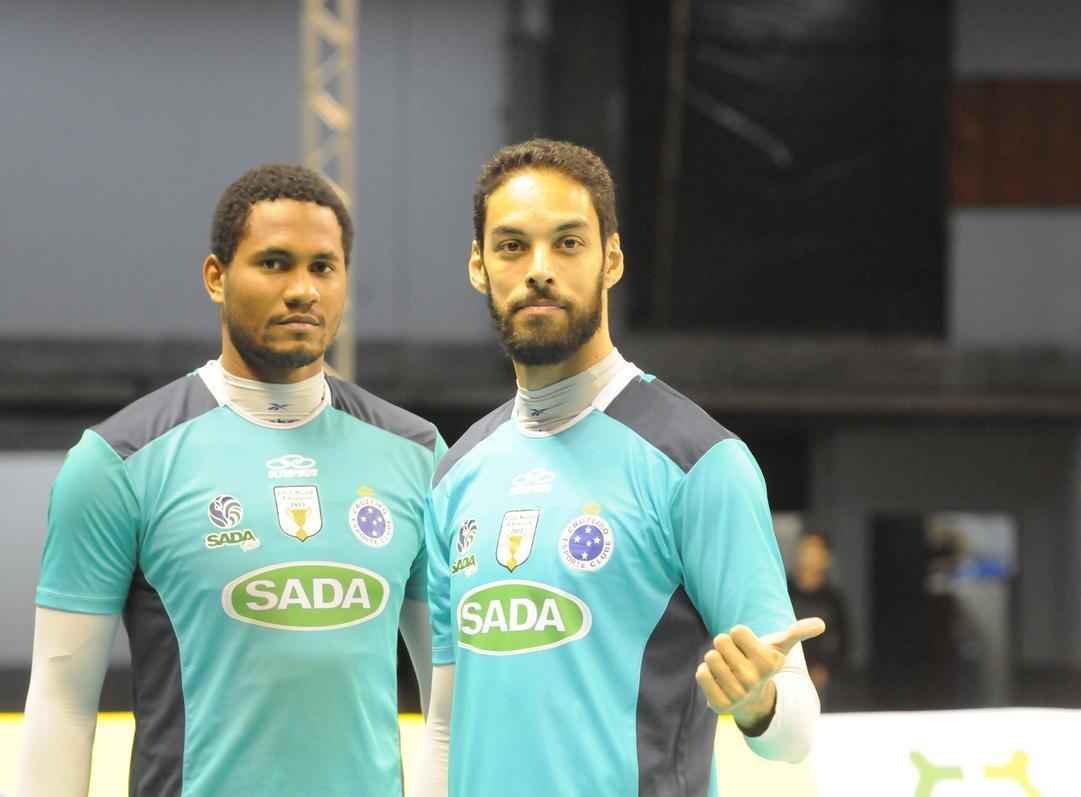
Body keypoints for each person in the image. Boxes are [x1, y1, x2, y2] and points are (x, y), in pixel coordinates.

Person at [17, 164, 443, 797]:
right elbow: (62, 705)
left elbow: (451, 706)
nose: (303, 290)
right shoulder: (117, 462)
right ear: (216, 277)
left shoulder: (418, 454)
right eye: (274, 263)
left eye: (323, 267)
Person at [417, 139, 822, 797]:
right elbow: (443, 728)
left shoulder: (700, 462)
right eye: (513, 246)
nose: (539, 269)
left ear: (611, 258)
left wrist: (758, 705)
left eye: (568, 243)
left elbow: (796, 728)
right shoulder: (455, 475)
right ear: (478, 264)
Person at [787, 532, 849, 699]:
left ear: (826, 558)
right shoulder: (784, 592)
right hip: (785, 673)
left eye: (815, 551)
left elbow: (842, 640)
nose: (809, 557)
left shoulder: (833, 599)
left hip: (821, 677)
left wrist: (825, 668)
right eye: (805, 551)